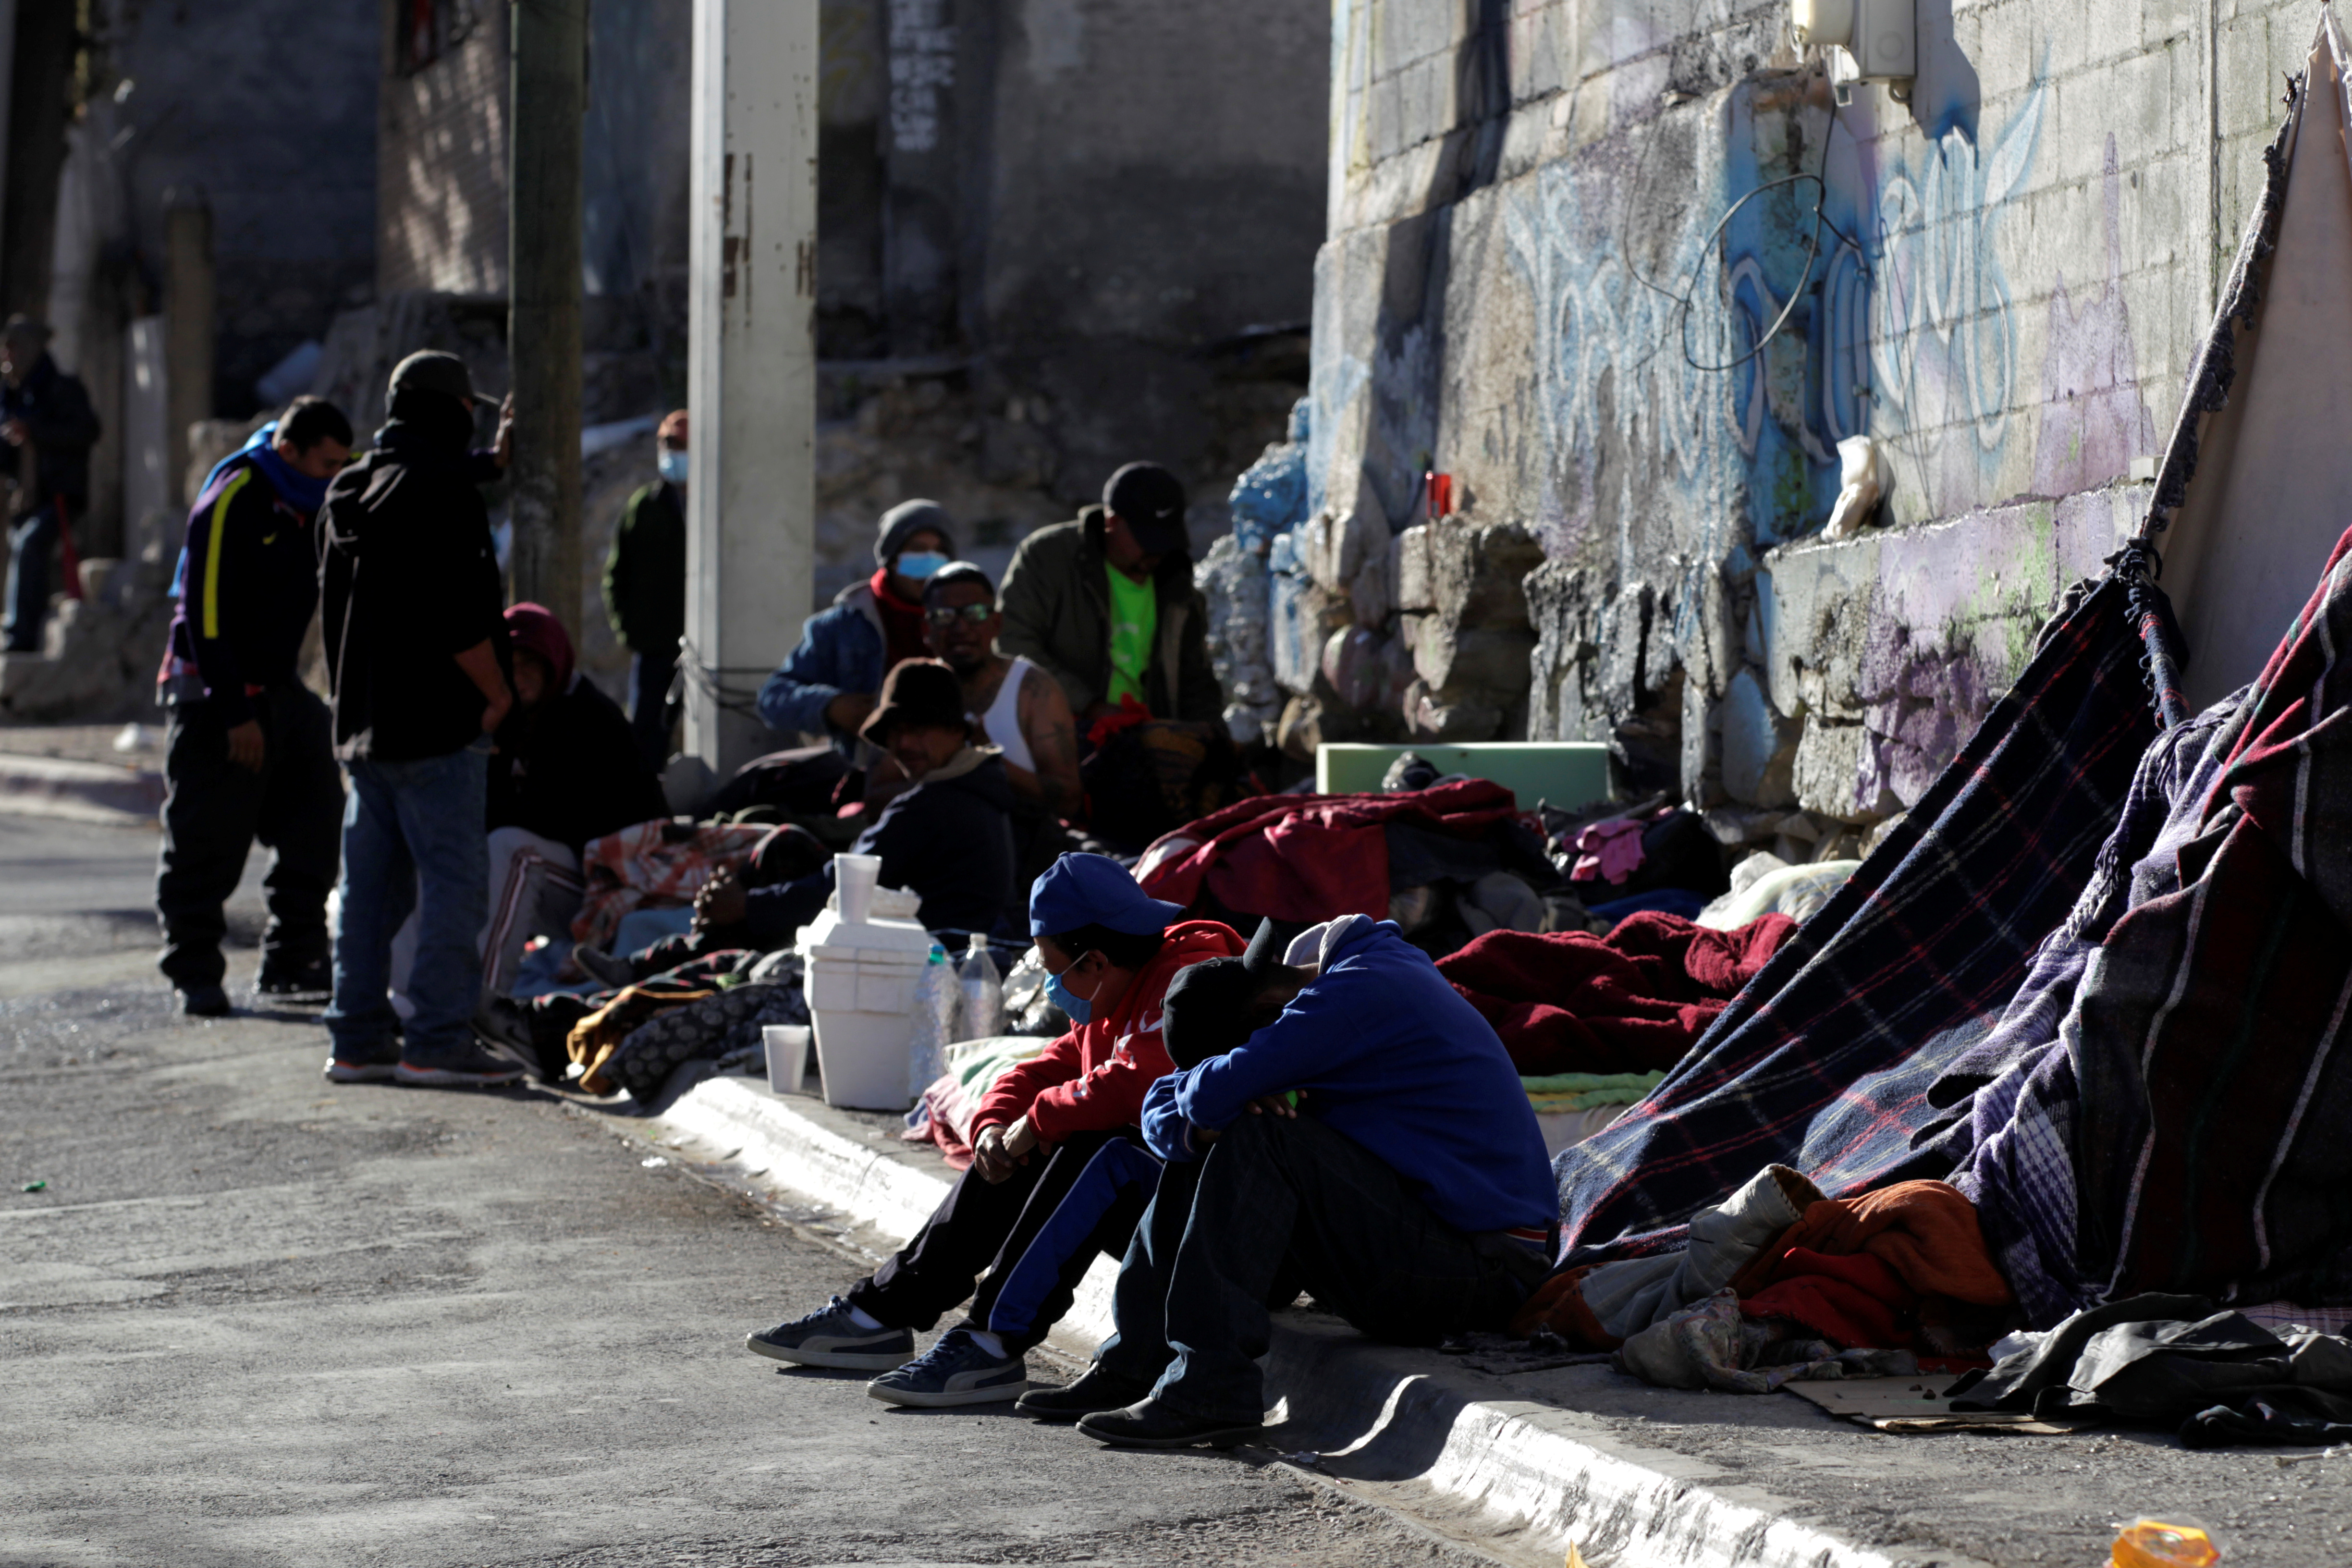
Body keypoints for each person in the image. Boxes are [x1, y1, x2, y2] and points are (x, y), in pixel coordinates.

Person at [1029, 912, 1556, 1448]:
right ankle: (1135, 1365)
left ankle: (1210, 1389)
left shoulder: (1348, 1000)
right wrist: (1210, 1116)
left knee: (1259, 1133)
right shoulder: (1350, 972)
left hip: (1485, 1272)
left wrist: (1226, 1098)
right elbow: (1162, 1107)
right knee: (1215, 1133)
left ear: (1266, 1016)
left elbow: (1206, 1095)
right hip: (1431, 1246)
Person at [744, 853, 1246, 1410]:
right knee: (1021, 1143)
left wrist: (1033, 1124)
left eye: (1055, 972)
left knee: (1094, 1144)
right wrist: (994, 1126)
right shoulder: (1113, 995)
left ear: (1096, 961)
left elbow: (1136, 1084)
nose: (1054, 989)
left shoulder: (1194, 974)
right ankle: (881, 1312)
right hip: (1167, 1208)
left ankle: (991, 1341)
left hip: (1226, 1220)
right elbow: (1044, 1069)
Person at [317, 349, 523, 1089]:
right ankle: (435, 1039)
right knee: (454, 887)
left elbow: (407, 498)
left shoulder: (348, 488)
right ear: (456, 411)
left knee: (371, 892)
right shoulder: (442, 493)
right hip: (440, 727)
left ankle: (358, 1038)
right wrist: (498, 696)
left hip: (364, 728)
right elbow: (460, 615)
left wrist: (486, 466)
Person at [580, 661, 1018, 988]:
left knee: (757, 915)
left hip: (914, 961)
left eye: (920, 729)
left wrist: (746, 906)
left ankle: (648, 973)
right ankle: (658, 963)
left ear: (954, 731)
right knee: (784, 847)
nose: (904, 745)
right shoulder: (980, 784)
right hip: (908, 939)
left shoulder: (936, 803)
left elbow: (842, 889)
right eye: (897, 733)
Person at [153, 396, 355, 1016]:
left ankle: (293, 957)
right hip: (214, 687)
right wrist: (234, 710)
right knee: (208, 834)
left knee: (318, 809)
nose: (334, 477)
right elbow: (202, 610)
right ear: (288, 452)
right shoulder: (237, 492)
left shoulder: (312, 498)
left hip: (278, 683)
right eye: (325, 464)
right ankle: (195, 971)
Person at [477, 601, 670, 994]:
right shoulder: (507, 715)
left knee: (512, 850)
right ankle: (412, 1003)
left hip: (617, 885)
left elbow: (549, 817)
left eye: (532, 664)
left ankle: (481, 1003)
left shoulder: (586, 718)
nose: (521, 677)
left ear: (553, 665)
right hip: (568, 879)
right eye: (511, 665)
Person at [996, 462, 1220, 730]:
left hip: (1150, 739)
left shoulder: (1177, 585)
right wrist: (1089, 706)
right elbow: (1012, 643)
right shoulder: (1048, 558)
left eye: (1167, 539)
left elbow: (1196, 680)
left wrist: (1208, 734)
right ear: (1112, 522)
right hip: (1062, 730)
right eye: (1148, 539)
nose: (1158, 553)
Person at [919, 560, 1080, 889]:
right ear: (927, 630)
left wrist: (987, 761)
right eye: (945, 616)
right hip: (930, 856)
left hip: (1018, 862)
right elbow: (877, 795)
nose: (961, 628)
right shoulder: (912, 690)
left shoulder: (1033, 689)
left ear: (996, 622)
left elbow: (1068, 799)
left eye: (975, 614)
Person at [757, 500, 956, 756]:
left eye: (939, 552)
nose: (930, 562)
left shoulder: (965, 621)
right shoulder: (843, 625)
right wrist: (830, 706)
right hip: (868, 770)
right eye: (918, 550)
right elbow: (773, 698)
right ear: (892, 557)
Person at [0, 315, 101, 652]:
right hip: (26, 498)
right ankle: (26, 628)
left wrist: (35, 432)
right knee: (22, 548)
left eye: (13, 347)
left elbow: (87, 432)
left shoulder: (62, 389)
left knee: (29, 546)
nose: (7, 355)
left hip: (59, 494)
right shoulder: (12, 393)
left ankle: (21, 637)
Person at [602, 409, 688, 771]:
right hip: (655, 646)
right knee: (643, 733)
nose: (674, 452)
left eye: (682, 445)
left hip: (709, 648)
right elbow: (617, 575)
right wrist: (631, 630)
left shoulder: (722, 506)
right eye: (669, 444)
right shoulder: (644, 507)